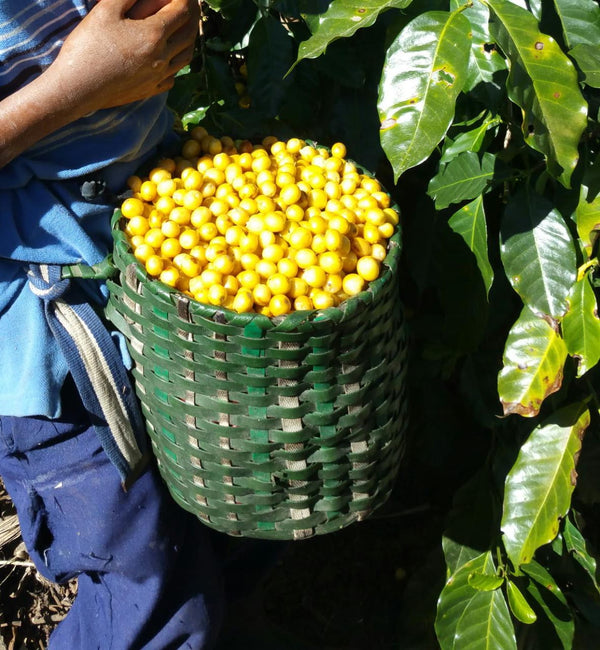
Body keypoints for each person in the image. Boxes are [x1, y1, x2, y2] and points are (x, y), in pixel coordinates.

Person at [0, 1, 230, 647]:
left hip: (154, 215)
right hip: (37, 320)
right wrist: (70, 90)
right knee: (144, 580)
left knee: (229, 499)